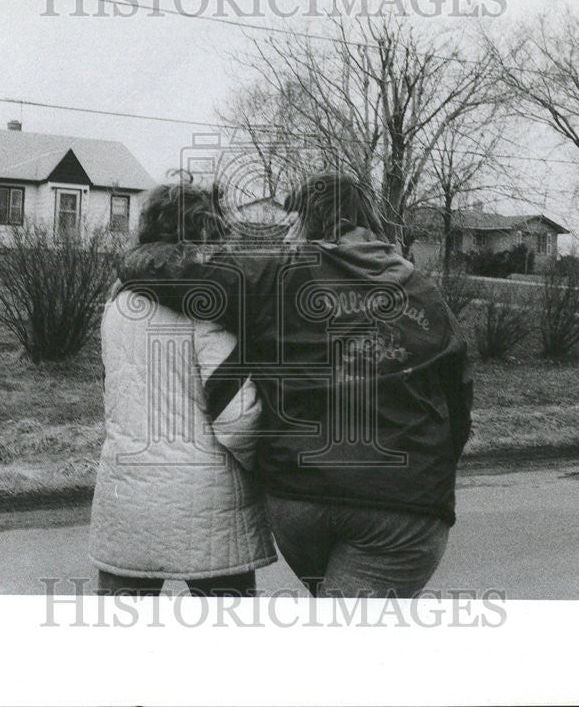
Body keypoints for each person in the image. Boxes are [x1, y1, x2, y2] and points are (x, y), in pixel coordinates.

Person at [117, 172, 473, 598]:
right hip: (402, 510)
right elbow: (459, 406)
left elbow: (172, 268)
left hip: (300, 498)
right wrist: (424, 475)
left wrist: (134, 257)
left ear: (306, 220)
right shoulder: (425, 293)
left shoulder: (275, 275)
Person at [89, 183, 276, 596]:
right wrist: (265, 469)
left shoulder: (117, 303)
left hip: (127, 493)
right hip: (210, 503)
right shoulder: (209, 307)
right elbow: (238, 418)